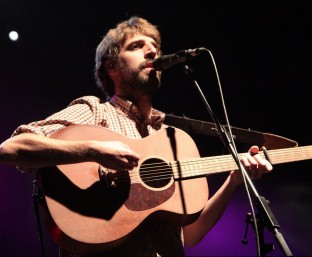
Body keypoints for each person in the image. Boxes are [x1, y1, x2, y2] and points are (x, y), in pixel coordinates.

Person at [0, 16, 272, 256]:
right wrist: (94, 150)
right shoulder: (95, 111)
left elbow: (191, 235)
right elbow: (12, 149)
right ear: (111, 67)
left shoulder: (170, 138)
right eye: (136, 47)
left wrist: (235, 180)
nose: (151, 51)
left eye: (154, 47)